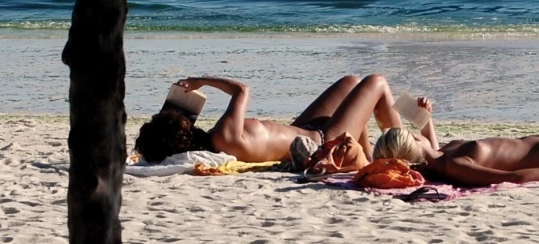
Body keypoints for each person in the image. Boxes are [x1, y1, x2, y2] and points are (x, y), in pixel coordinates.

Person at [134, 74, 404, 163]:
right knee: (376, 82)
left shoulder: (219, 142)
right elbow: (241, 90)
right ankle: (401, 148)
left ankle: (368, 159)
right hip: (324, 141)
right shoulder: (224, 135)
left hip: (306, 129)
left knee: (350, 83)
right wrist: (200, 81)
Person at [373, 119, 539, 186]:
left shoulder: (441, 157)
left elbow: (433, 153)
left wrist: (427, 122)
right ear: (415, 140)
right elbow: (515, 177)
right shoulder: (455, 166)